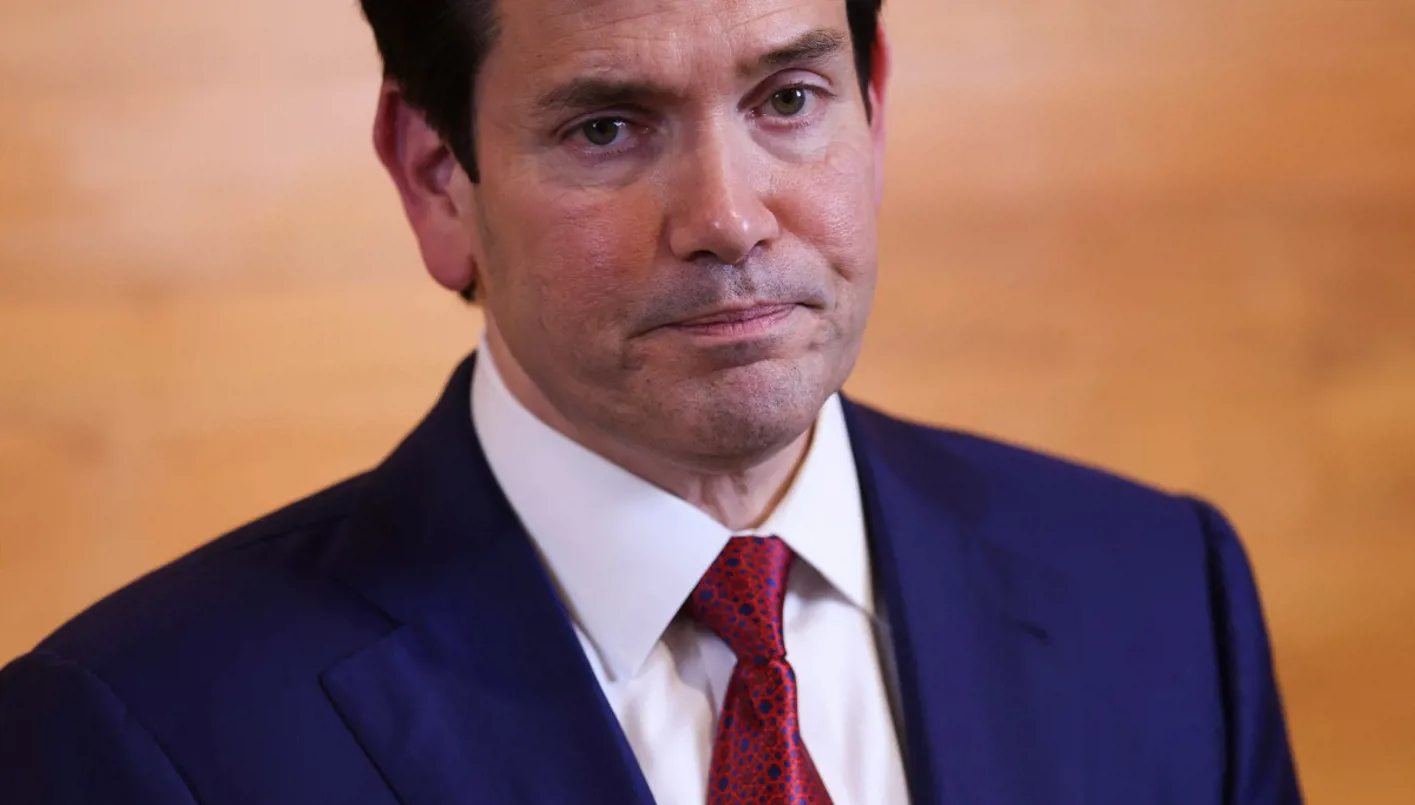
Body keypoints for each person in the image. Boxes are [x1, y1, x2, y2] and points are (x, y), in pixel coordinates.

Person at [0, 0, 1302, 802]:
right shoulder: (135, 737)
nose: (727, 218)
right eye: (608, 128)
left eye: (788, 99)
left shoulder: (1163, 595)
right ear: (437, 177)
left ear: (873, 104)